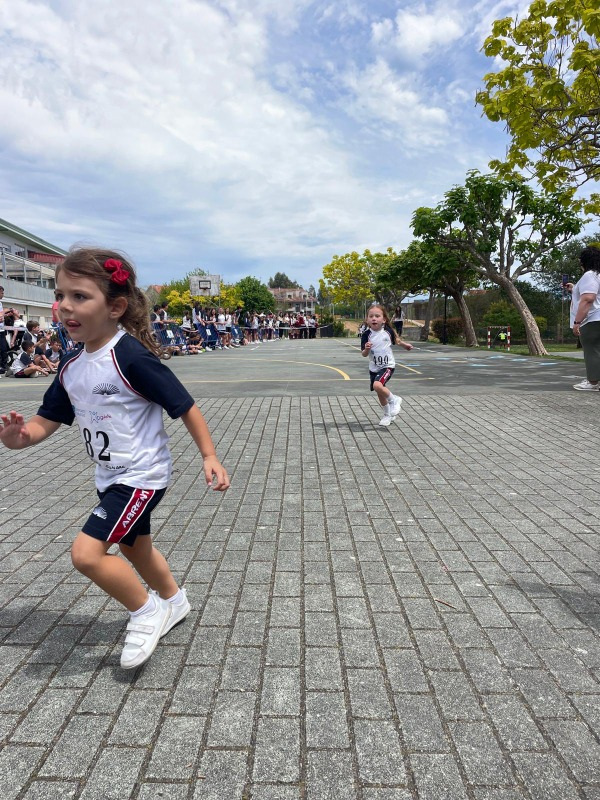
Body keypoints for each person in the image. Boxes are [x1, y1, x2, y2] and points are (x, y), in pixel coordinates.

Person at [0, 247, 230, 670]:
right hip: (109, 477)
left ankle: (146, 611)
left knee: (86, 554)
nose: (65, 306)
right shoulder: (71, 366)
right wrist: (19, 437)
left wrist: (209, 455)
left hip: (142, 475)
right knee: (134, 547)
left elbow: (184, 405)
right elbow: (46, 421)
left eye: (80, 296)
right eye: (60, 295)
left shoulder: (131, 357)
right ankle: (174, 601)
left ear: (115, 307)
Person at [361, 304, 413, 427]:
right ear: (367, 320)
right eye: (371, 316)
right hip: (374, 367)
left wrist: (405, 345)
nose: (374, 318)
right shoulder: (366, 335)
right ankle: (387, 415)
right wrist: (367, 349)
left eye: (377, 316)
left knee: (377, 385)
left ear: (384, 319)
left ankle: (394, 400)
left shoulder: (388, 332)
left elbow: (397, 341)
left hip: (387, 365)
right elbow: (363, 354)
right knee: (379, 391)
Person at [568, 245, 600, 391]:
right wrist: (574, 289)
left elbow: (588, 298)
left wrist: (577, 322)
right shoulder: (597, 275)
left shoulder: (589, 275)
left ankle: (593, 382)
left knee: (591, 350)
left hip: (592, 319)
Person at [0, 286, 7, 375]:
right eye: (2, 293)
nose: (3, 295)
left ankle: (3, 366)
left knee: (4, 349)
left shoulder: (0, 303)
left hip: (1, 330)